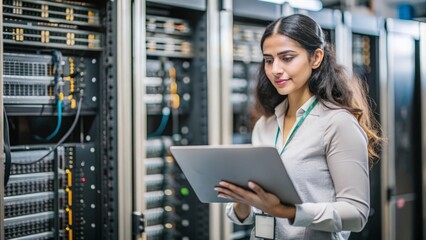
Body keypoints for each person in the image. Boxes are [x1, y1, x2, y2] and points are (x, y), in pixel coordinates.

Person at [214, 14, 382, 239]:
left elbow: (356, 213)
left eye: (287, 58)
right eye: (269, 60)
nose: (275, 69)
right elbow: (253, 212)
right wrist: (243, 201)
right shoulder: (265, 125)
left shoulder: (337, 123)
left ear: (316, 58)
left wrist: (287, 211)